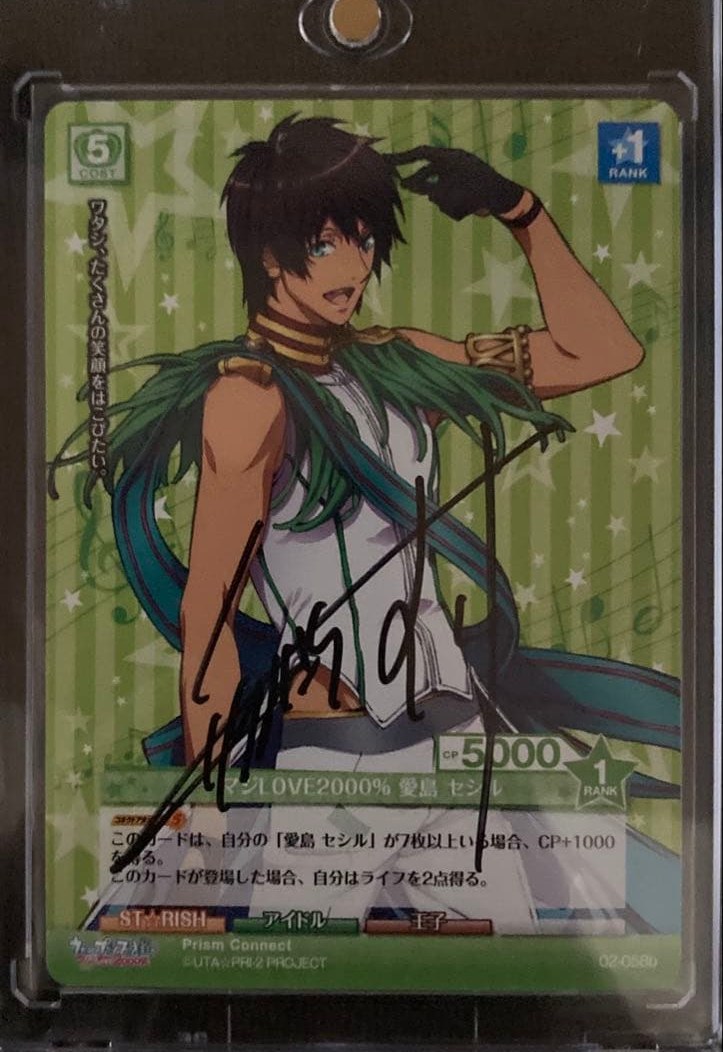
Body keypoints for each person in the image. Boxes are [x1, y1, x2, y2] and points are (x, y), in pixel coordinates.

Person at [51, 115, 680, 935]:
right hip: (334, 762)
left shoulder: (397, 361)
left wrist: (518, 210)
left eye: (362, 239)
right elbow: (209, 612)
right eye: (323, 244)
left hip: (456, 744)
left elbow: (604, 351)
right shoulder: (248, 399)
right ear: (269, 256)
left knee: (498, 977)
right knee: (284, 976)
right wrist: (205, 809)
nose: (352, 267)